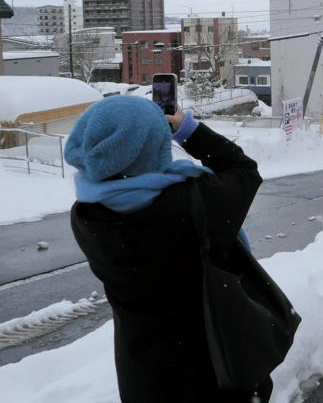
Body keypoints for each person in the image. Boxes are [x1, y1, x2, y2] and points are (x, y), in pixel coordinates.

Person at [64, 96, 271, 403]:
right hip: (211, 372)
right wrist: (187, 130)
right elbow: (243, 169)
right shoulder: (193, 206)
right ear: (152, 149)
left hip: (143, 377)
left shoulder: (86, 214)